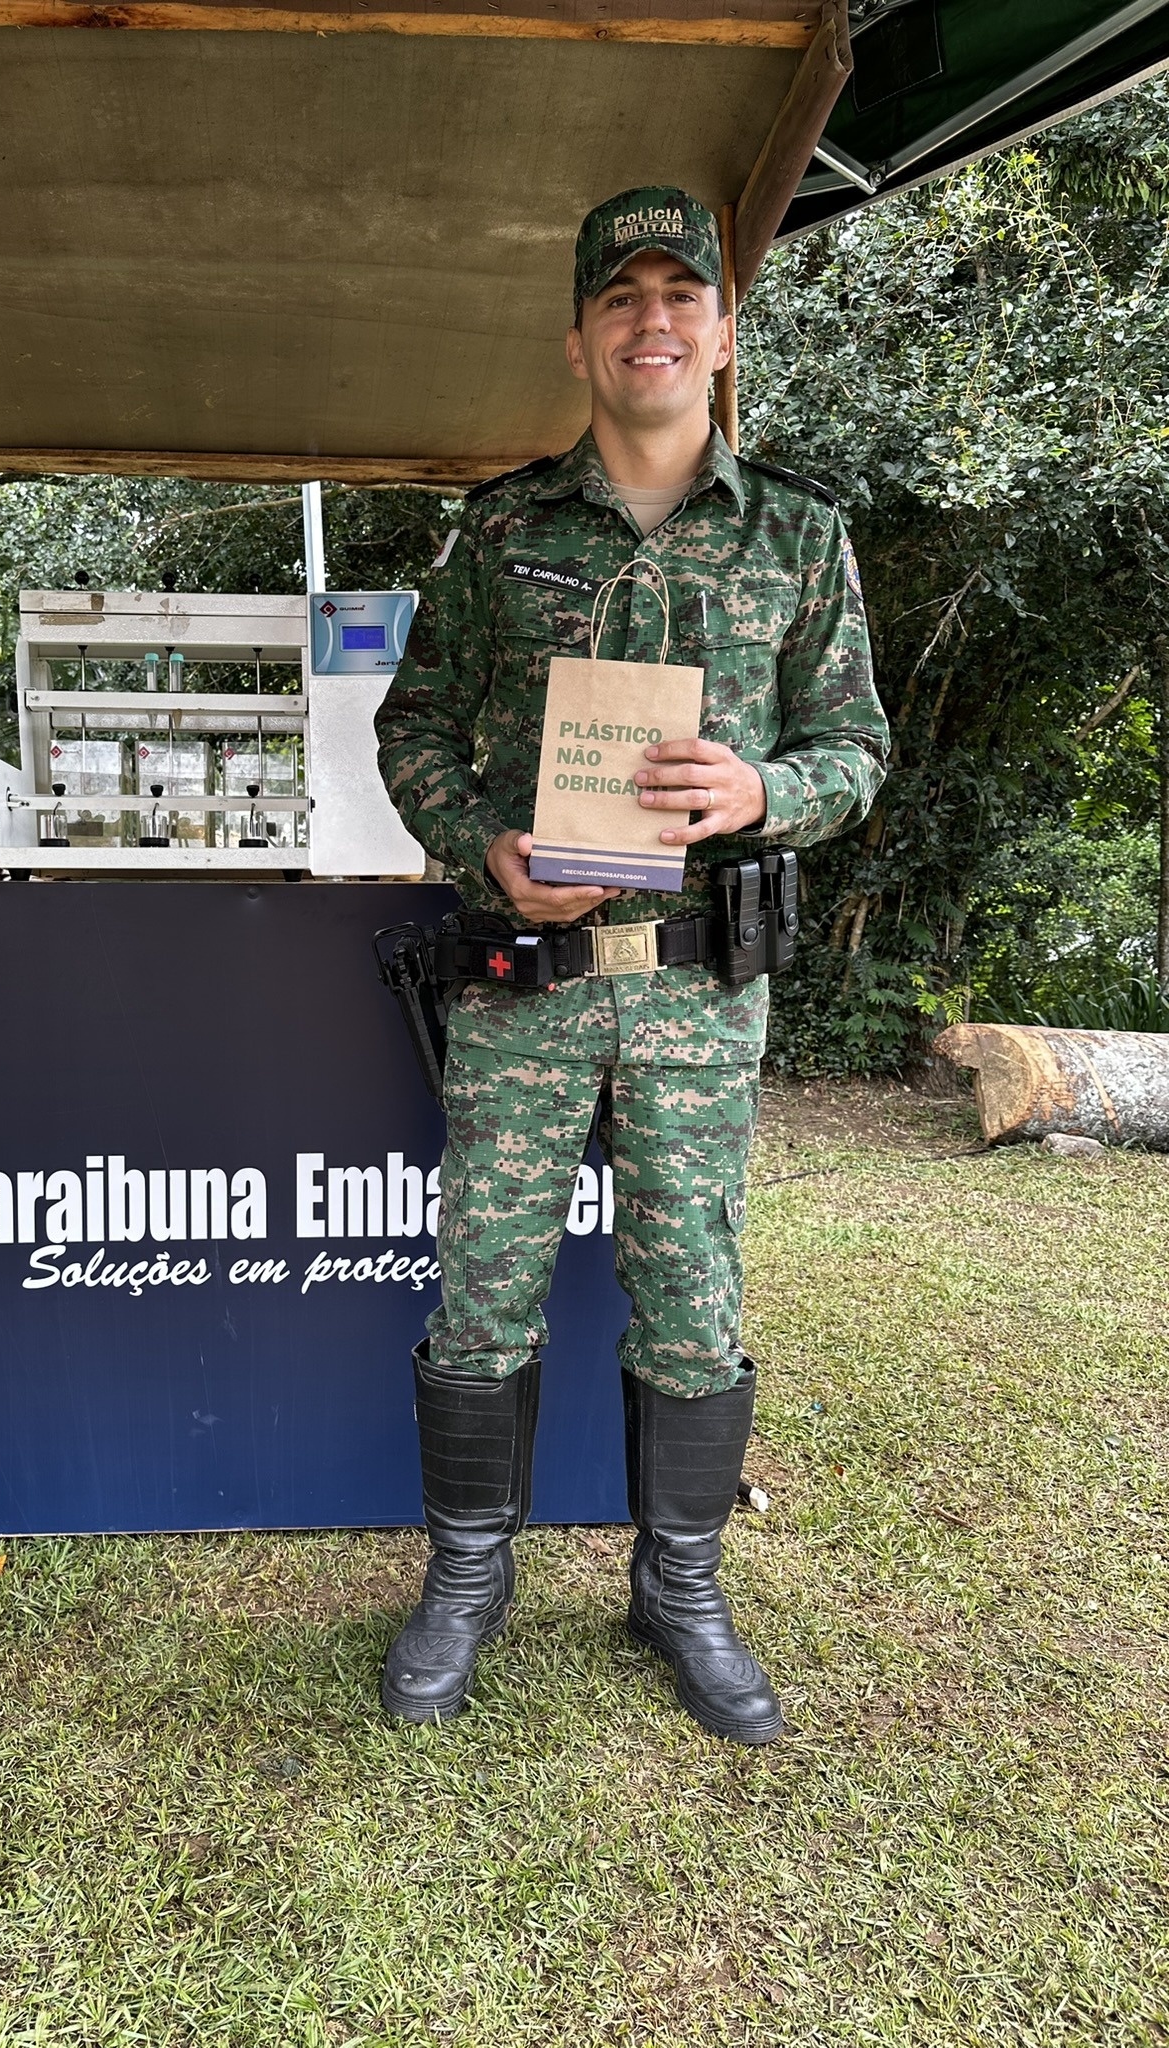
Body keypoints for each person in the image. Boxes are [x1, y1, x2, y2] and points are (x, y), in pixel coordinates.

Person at [372, 186, 890, 1743]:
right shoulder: (505, 528)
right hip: (530, 971)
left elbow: (855, 748)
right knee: (484, 1286)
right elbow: (410, 728)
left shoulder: (799, 533)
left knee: (691, 1293)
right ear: (581, 337)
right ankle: (467, 1577)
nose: (651, 321)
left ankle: (681, 1583)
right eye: (621, 299)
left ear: (722, 333)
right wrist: (486, 847)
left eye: (682, 295)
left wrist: (761, 793)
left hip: (699, 987)